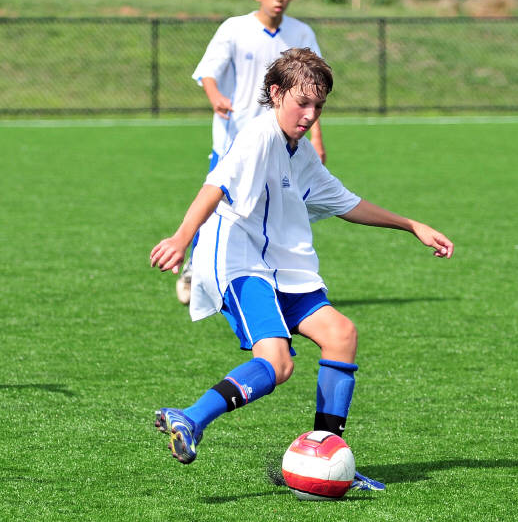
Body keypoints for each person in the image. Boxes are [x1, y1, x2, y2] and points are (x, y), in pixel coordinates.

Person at [150, 48, 454, 491]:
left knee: (341, 334)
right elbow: (214, 186)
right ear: (276, 94)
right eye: (303, 103)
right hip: (238, 262)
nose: (310, 115)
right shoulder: (259, 136)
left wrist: (412, 226)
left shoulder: (301, 152)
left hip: (280, 264)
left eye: (319, 106)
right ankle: (191, 418)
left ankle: (325, 454)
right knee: (277, 363)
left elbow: (346, 202)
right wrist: (181, 238)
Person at [176, 0, 326, 305]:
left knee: (278, 209)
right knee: (216, 204)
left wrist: (317, 139)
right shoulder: (234, 28)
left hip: (281, 145)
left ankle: (272, 275)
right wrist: (215, 96)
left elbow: (312, 92)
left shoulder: (301, 34)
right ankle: (195, 268)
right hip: (235, 140)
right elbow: (208, 71)